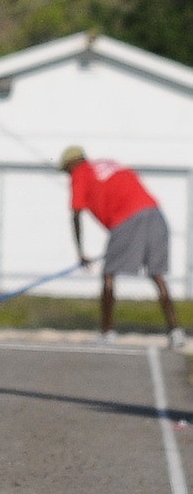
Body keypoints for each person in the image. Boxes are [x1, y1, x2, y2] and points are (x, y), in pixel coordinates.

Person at [59, 146, 186, 348]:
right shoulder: (108, 163)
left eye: (66, 171)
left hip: (126, 219)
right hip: (154, 213)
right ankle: (175, 332)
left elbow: (76, 214)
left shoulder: (80, 173)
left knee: (109, 274)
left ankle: (107, 332)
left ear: (71, 164)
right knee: (157, 275)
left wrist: (81, 253)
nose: (67, 175)